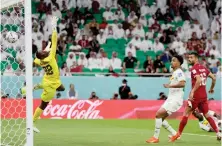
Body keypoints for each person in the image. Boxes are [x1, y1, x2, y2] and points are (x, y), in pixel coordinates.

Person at [169, 52, 221, 142]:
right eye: (189, 57)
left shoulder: (194, 69)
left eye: (191, 57)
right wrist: (211, 88)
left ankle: (178, 135)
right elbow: (214, 78)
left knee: (186, 114)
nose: (189, 59)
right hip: (204, 96)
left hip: (196, 96)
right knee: (207, 115)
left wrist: (192, 92)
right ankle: (218, 133)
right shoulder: (204, 68)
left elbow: (198, 80)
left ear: (196, 59)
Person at [32, 17, 65, 133]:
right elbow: (55, 39)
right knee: (43, 105)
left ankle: (39, 86)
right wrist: (54, 25)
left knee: (62, 88)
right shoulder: (50, 57)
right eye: (44, 52)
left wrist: (47, 47)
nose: (45, 51)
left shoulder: (40, 60)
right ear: (44, 55)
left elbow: (35, 61)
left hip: (50, 79)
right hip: (50, 84)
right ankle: (32, 122)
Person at [146, 55, 186, 143]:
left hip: (175, 99)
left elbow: (183, 84)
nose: (172, 62)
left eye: (174, 60)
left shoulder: (179, 72)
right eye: (171, 60)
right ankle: (175, 134)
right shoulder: (174, 72)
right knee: (161, 119)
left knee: (158, 114)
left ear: (179, 63)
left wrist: (169, 85)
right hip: (170, 99)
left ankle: (155, 138)